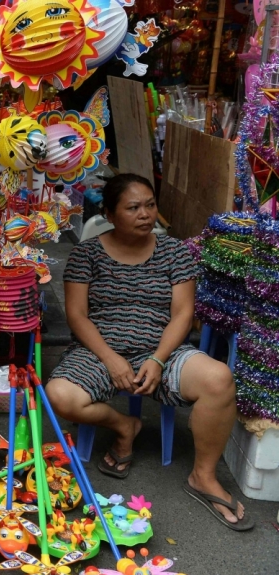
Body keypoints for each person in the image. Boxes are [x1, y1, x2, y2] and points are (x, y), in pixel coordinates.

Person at [45, 173, 252, 531]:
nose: (145, 214)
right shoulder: (86, 254)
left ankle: (203, 476)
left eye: (150, 205)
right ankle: (125, 425)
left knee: (218, 378)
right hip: (98, 350)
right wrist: (111, 359)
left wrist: (158, 359)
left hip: (163, 349)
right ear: (109, 213)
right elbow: (77, 316)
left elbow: (183, 314)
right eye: (133, 207)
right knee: (59, 395)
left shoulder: (174, 252)